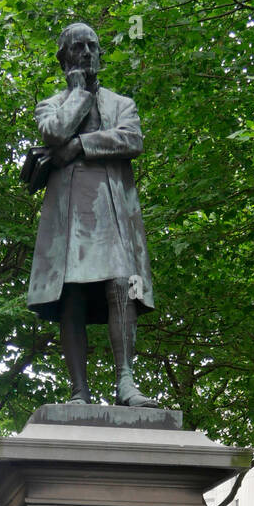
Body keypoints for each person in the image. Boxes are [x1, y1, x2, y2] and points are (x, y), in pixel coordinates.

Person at [27, 22, 155, 406]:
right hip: (68, 219)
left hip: (111, 211)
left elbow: (132, 138)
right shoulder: (52, 104)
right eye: (77, 47)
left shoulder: (121, 104)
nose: (86, 53)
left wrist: (81, 144)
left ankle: (126, 383)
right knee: (73, 295)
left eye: (92, 46)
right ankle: (79, 391)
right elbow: (53, 131)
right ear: (63, 58)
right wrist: (79, 93)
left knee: (121, 285)